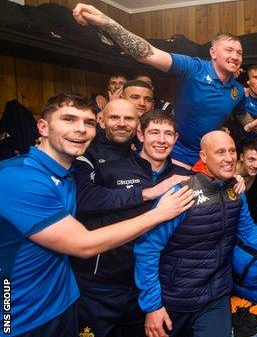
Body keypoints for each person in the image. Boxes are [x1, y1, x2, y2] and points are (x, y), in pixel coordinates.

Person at [0, 92, 193, 336]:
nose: (80, 129)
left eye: (88, 122)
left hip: (64, 301)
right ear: (43, 127)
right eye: (69, 119)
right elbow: (84, 244)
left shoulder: (67, 174)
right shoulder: (17, 177)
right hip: (19, 314)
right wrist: (158, 211)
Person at [134, 130, 257, 337]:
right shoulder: (181, 193)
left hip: (216, 295)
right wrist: (152, 306)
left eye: (232, 151)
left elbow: (248, 231)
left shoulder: (236, 194)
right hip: (176, 298)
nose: (229, 158)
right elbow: (147, 249)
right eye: (220, 152)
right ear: (204, 157)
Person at [73, 4, 257, 168]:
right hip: (175, 153)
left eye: (239, 53)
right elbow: (146, 53)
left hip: (207, 158)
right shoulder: (193, 68)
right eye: (229, 50)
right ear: (213, 52)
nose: (235, 56)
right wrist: (108, 23)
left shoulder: (236, 90)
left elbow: (242, 115)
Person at [70, 110, 190, 336]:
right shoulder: (111, 170)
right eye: (154, 132)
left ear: (176, 139)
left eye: (168, 134)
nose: (161, 140)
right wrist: (147, 193)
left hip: (147, 286)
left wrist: (238, 179)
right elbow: (83, 202)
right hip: (102, 284)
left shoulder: (184, 176)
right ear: (141, 135)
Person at [74, 99, 181, 218]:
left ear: (137, 124)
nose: (122, 124)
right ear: (102, 121)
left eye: (129, 118)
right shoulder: (88, 154)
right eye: (114, 117)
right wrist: (147, 193)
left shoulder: (140, 149)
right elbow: (84, 200)